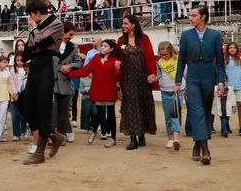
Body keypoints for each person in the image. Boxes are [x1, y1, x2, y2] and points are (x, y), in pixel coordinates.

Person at [175, 5, 225, 165]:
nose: (190, 18)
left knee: (205, 112)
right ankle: (205, 149)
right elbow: (181, 59)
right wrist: (177, 81)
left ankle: (197, 144)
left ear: (203, 17)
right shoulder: (186, 35)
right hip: (193, 76)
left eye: (194, 15)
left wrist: (221, 81)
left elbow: (220, 62)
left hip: (209, 77)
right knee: (196, 111)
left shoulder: (215, 35)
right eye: (190, 15)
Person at [21, 0, 64, 165]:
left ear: (37, 13)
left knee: (43, 108)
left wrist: (34, 30)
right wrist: (35, 37)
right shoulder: (40, 27)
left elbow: (38, 42)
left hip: (47, 65)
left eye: (31, 15)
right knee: (26, 105)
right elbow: (27, 52)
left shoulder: (56, 23)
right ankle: (53, 134)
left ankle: (40, 152)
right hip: (35, 67)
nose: (31, 19)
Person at [67, 39, 122, 148]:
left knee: (110, 115)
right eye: (102, 46)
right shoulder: (96, 58)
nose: (102, 47)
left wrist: (117, 69)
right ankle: (94, 131)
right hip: (97, 90)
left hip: (109, 91)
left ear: (111, 49)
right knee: (98, 113)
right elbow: (85, 71)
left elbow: (117, 78)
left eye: (105, 46)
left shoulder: (115, 61)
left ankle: (113, 138)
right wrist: (70, 74)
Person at [117, 15, 158, 150]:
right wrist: (117, 66)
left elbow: (151, 58)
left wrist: (152, 74)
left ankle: (141, 135)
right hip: (128, 79)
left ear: (134, 24)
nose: (123, 26)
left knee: (142, 105)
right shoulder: (121, 41)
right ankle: (133, 138)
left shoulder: (144, 39)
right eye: (123, 24)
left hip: (143, 79)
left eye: (126, 23)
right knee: (130, 106)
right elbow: (119, 59)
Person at [53, 21, 82, 143]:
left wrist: (70, 66)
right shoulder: (52, 44)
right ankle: (52, 136)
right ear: (63, 32)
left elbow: (79, 63)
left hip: (65, 83)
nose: (71, 37)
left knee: (64, 112)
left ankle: (61, 135)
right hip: (52, 82)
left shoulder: (73, 47)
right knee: (52, 110)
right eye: (70, 34)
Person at [152, 41, 183, 150]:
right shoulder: (159, 62)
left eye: (166, 54)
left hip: (177, 90)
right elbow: (159, 75)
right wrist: (153, 78)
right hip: (165, 90)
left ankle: (175, 139)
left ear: (171, 52)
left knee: (175, 114)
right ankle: (170, 138)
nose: (164, 56)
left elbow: (185, 74)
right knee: (167, 116)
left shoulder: (178, 60)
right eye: (161, 54)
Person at [224, 43, 241, 137]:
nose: (232, 49)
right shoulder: (225, 60)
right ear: (227, 50)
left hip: (239, 85)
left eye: (234, 48)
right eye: (230, 48)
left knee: (240, 104)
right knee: (228, 106)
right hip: (229, 86)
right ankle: (226, 125)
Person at [9, 52, 28, 142]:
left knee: (23, 114)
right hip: (14, 95)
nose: (19, 62)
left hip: (25, 95)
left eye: (21, 60)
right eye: (17, 61)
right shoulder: (12, 70)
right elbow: (11, 81)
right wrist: (14, 93)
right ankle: (16, 134)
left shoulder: (27, 69)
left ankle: (24, 130)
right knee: (15, 115)